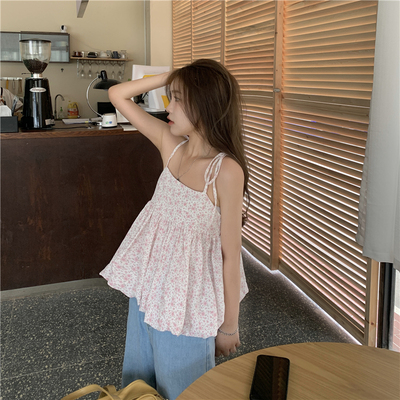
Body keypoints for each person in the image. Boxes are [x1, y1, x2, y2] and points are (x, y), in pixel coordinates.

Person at [100, 59, 250, 400]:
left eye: (179, 98)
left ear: (205, 104)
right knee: (139, 385)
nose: (169, 106)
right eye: (172, 96)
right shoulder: (171, 144)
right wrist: (175, 75)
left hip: (188, 304)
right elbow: (118, 95)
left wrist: (229, 325)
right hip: (148, 289)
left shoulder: (225, 171)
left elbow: (230, 255)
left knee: (184, 389)